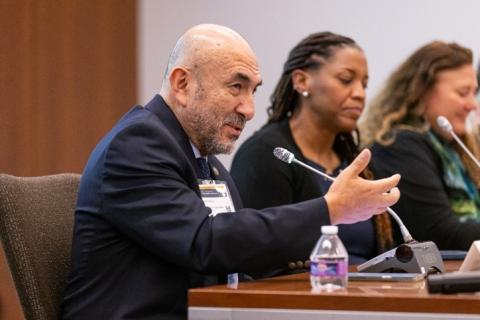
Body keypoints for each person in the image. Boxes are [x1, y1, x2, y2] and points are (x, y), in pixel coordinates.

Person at [61, 24, 400, 319]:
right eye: (236, 87)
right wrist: (330, 209)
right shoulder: (137, 144)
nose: (249, 109)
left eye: (253, 90)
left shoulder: (204, 159)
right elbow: (204, 241)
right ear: (182, 84)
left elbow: (238, 257)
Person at [231, 32, 395, 268]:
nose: (359, 93)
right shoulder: (266, 154)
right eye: (346, 79)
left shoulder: (355, 160)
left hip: (369, 291)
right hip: (307, 296)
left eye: (364, 84)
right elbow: (261, 256)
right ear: (301, 81)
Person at [361, 41, 480, 250]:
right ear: (422, 91)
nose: (472, 104)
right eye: (463, 93)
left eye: (474, 93)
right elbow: (442, 233)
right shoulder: (400, 146)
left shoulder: (452, 149)